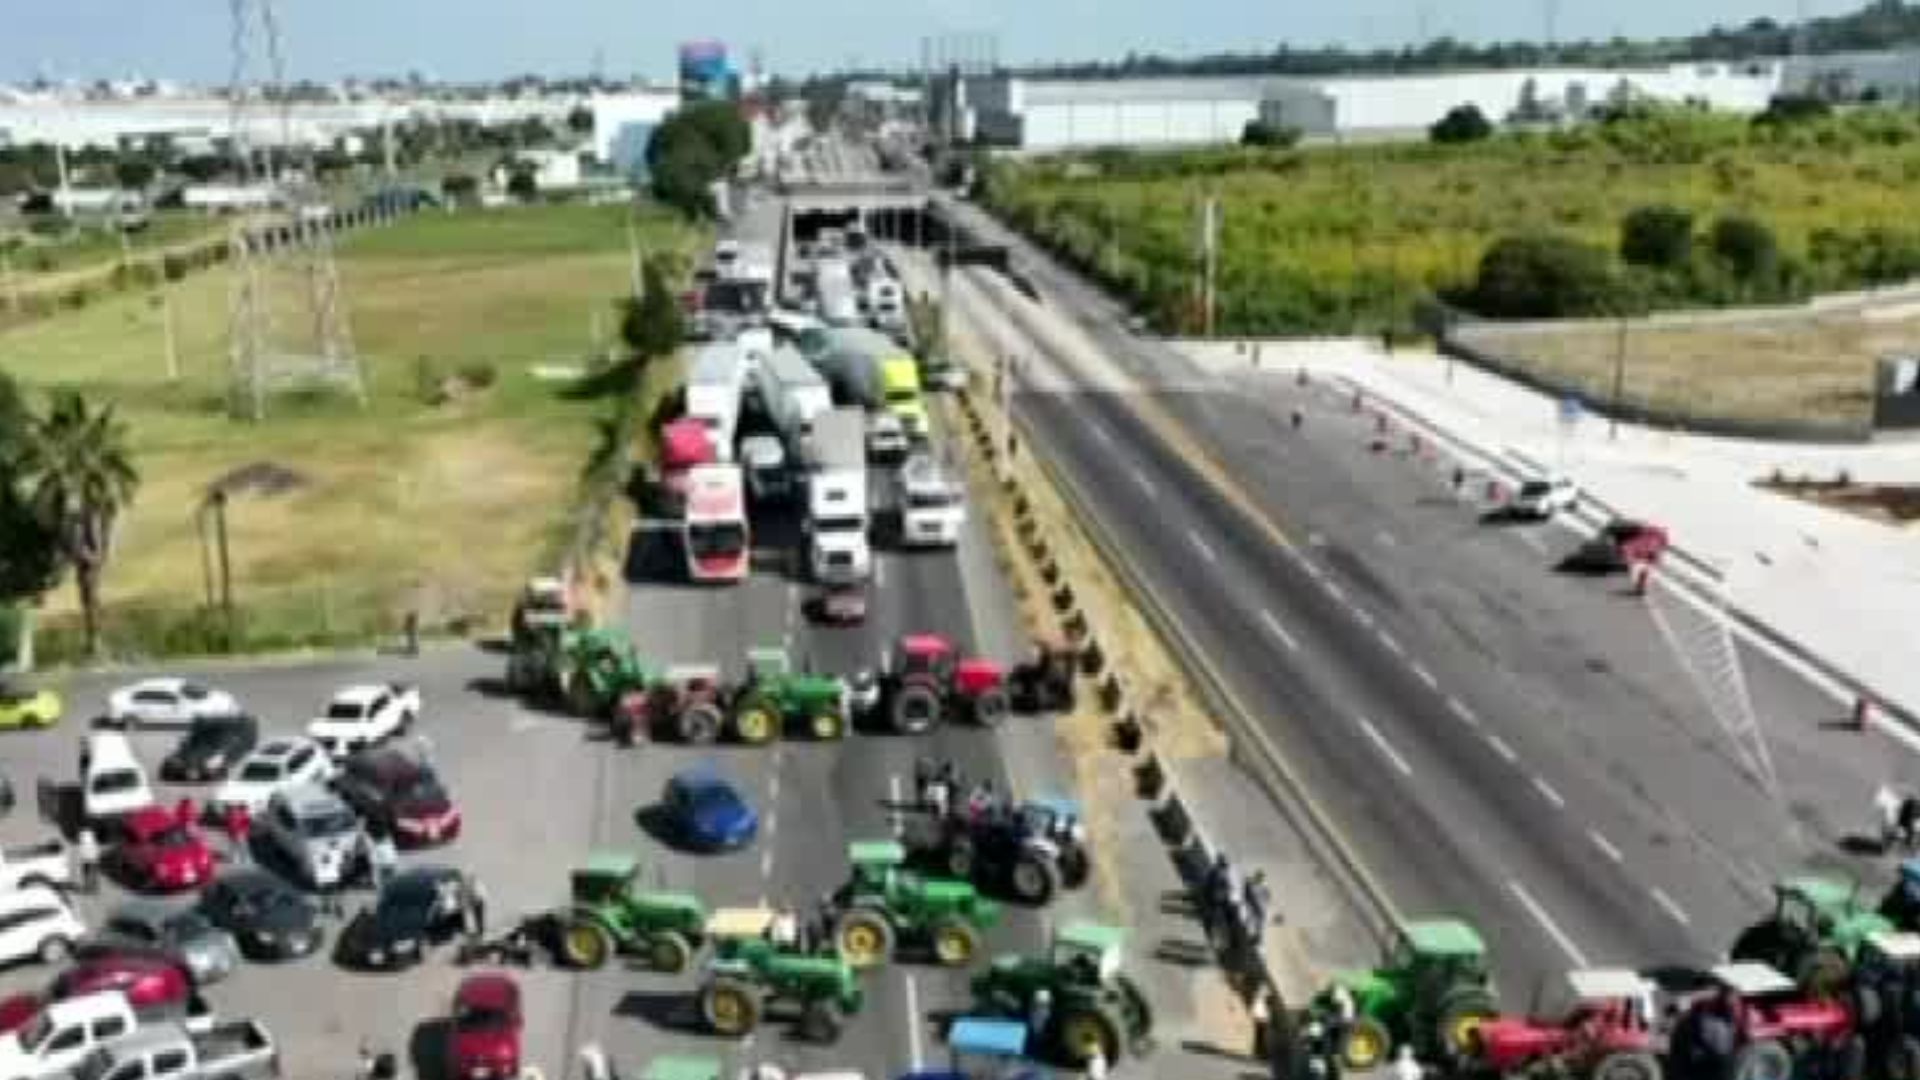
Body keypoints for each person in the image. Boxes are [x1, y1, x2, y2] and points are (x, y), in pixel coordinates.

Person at [75, 827, 101, 894]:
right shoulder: (92, 837)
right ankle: (94, 888)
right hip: (93, 856)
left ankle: (87, 887)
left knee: (86, 873)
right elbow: (95, 847)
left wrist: (80, 857)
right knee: (93, 872)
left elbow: (81, 847)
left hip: (86, 857)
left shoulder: (82, 836)